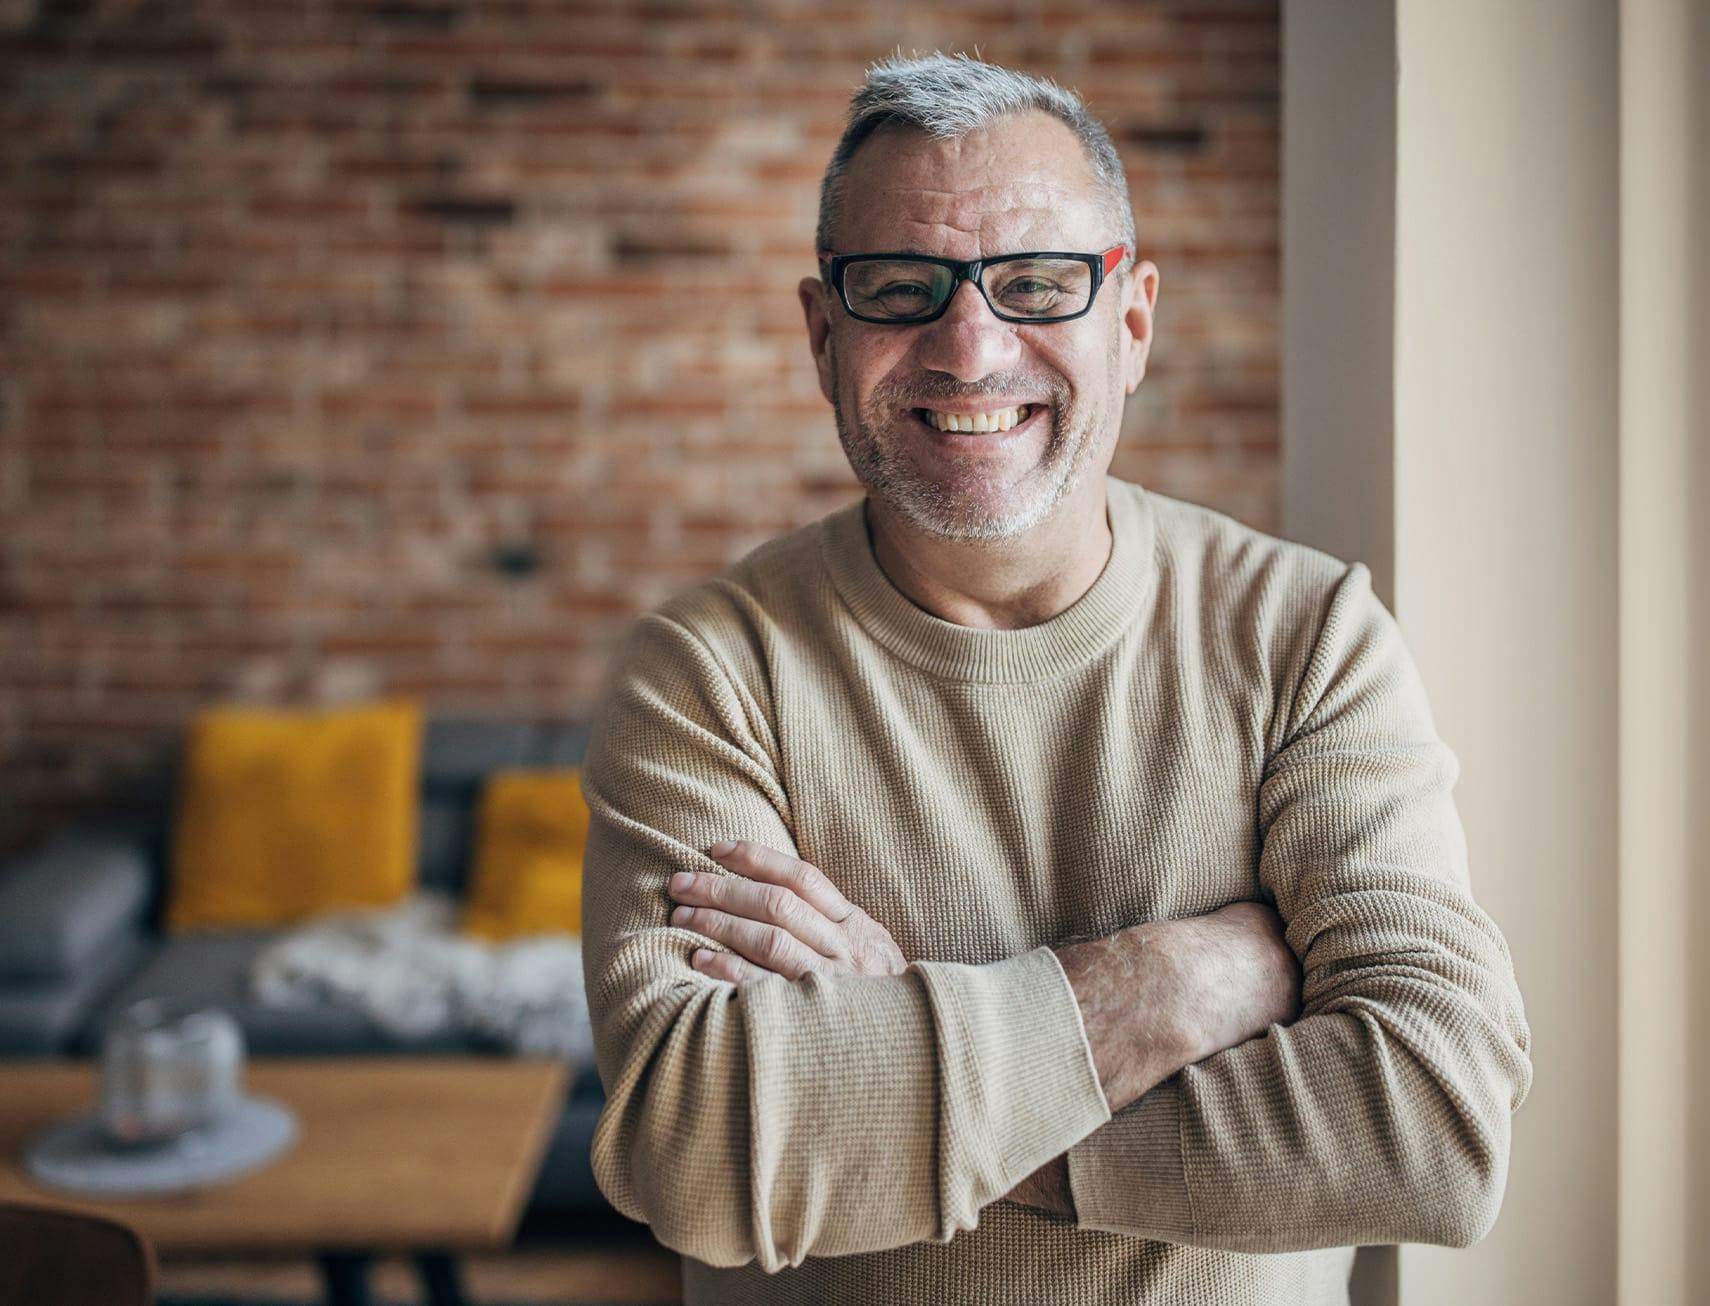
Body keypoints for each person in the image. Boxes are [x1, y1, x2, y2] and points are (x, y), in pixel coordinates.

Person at [579, 50, 1533, 1306]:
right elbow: (698, 1151)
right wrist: (1172, 983)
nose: (969, 348)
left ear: (1129, 323)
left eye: (1034, 284)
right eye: (900, 287)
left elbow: (1431, 1130)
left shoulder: (1306, 634)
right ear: (824, 335)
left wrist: (903, 1053)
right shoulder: (706, 672)